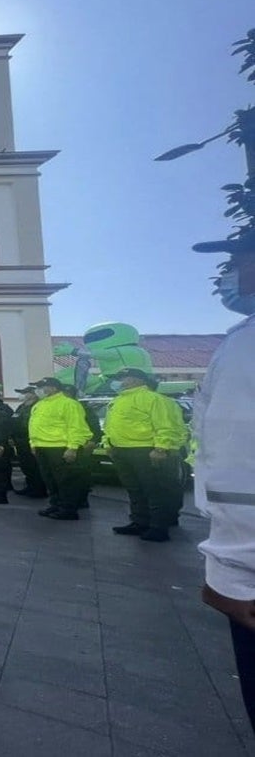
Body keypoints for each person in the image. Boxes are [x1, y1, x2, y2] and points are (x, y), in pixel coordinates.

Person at [191, 229, 255, 734]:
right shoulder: (241, 339)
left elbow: (241, 471)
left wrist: (234, 575)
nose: (226, 274)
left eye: (237, 259)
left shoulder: (246, 346)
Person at [104, 367, 187, 542]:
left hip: (145, 450)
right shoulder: (117, 401)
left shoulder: (154, 399)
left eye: (122, 378)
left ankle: (159, 527)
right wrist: (108, 444)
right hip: (121, 450)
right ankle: (139, 522)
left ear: (135, 380)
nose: (118, 382)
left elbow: (165, 426)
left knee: (154, 490)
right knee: (135, 489)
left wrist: (160, 448)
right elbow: (110, 426)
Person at [28, 376, 93, 521]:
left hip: (60, 447)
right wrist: (33, 444)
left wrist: (73, 448)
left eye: (42, 387)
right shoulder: (40, 405)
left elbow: (76, 427)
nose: (39, 390)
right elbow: (33, 426)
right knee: (50, 479)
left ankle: (68, 509)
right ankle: (55, 504)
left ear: (53, 388)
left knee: (65, 480)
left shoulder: (68, 404)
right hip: (42, 447)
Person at [10, 386, 46, 499]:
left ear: (33, 394)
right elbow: (14, 421)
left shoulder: (38, 405)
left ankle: (39, 489)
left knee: (35, 466)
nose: (22, 395)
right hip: (20, 441)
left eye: (25, 393)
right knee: (26, 466)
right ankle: (30, 486)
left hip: (31, 440)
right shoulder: (21, 406)